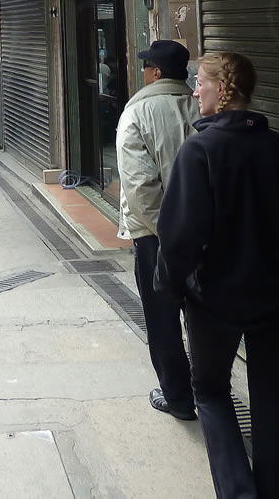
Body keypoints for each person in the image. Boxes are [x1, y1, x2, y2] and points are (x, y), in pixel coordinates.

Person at [156, 52, 279, 499]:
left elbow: (179, 236)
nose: (195, 91)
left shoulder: (199, 151)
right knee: (271, 401)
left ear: (223, 89)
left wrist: (170, 290)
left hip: (214, 303)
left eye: (200, 83)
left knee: (211, 391)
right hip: (277, 302)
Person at [114, 41, 199, 422]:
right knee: (202, 314)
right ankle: (210, 389)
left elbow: (140, 187)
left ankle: (178, 397)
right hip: (205, 232)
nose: (143, 74)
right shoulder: (202, 105)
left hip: (155, 237)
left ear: (157, 73)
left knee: (163, 319)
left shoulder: (137, 112)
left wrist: (167, 235)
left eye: (147, 67)